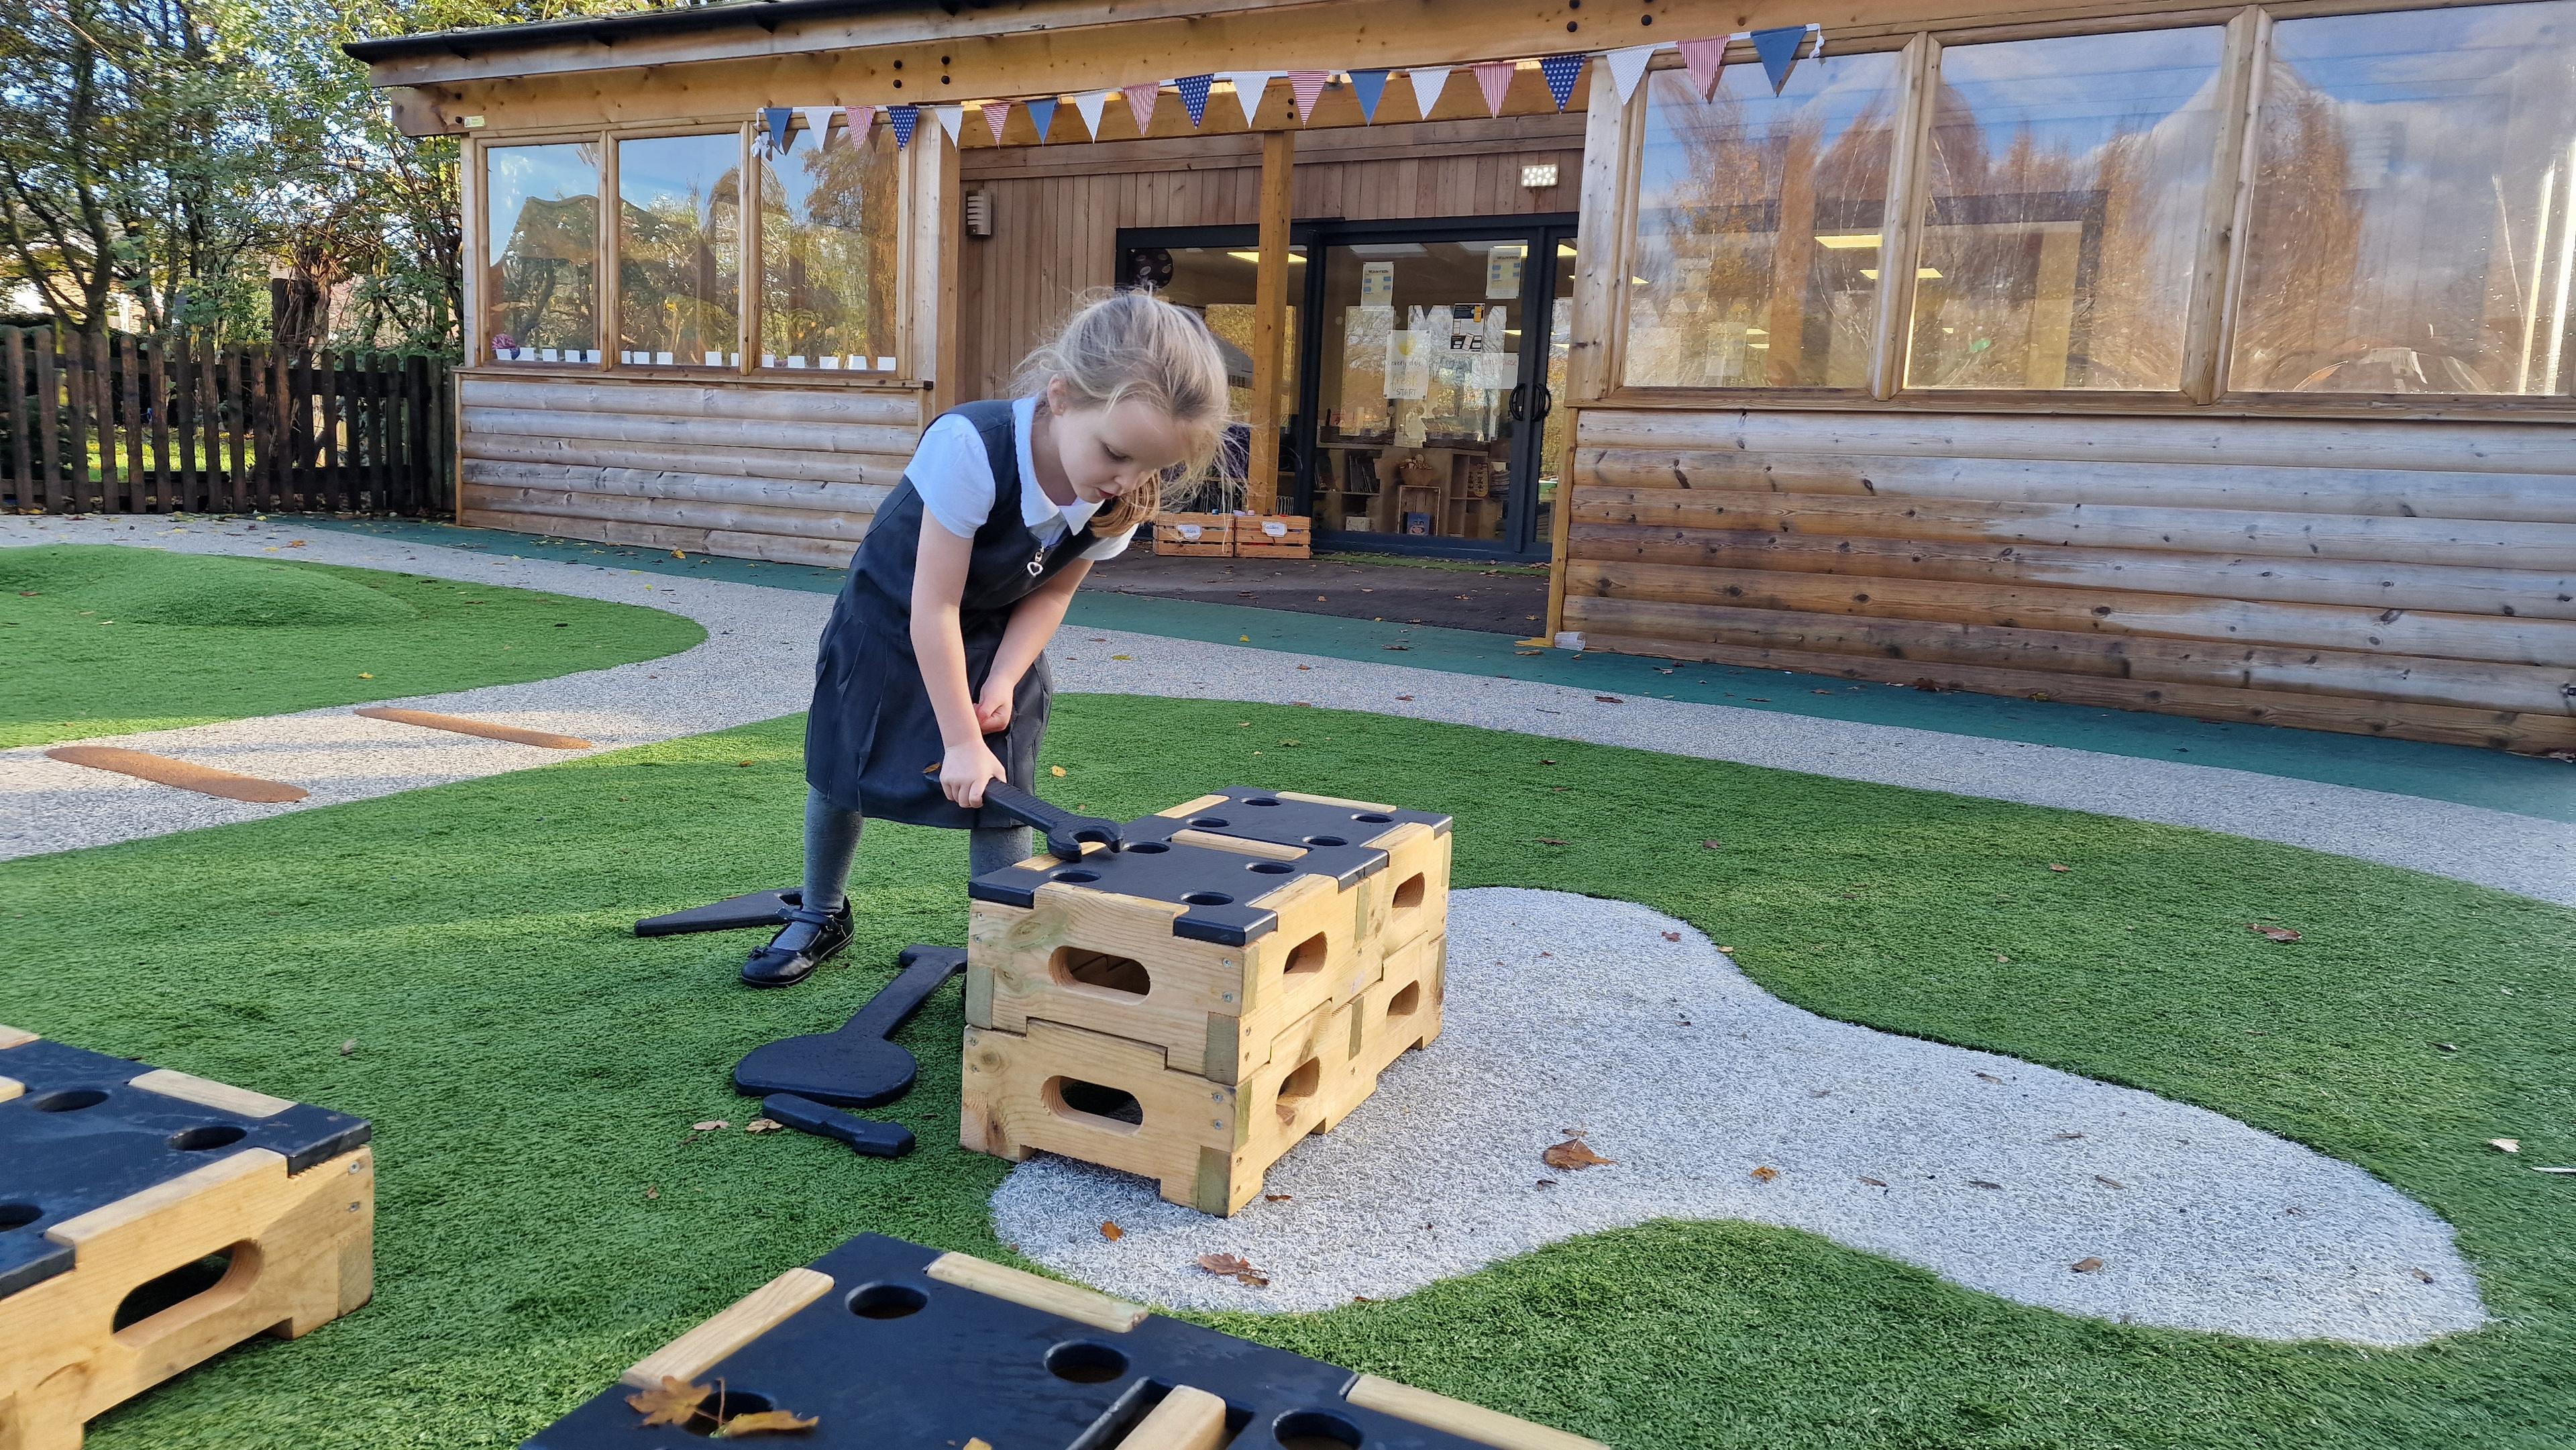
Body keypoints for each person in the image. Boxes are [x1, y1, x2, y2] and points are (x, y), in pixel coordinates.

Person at [743, 289, 1233, 986]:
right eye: (1117, 454)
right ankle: (822, 911)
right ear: (1061, 398)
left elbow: (1052, 591)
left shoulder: (1122, 501)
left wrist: (1001, 682)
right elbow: (933, 605)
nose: (1125, 482)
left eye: (1152, 467)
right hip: (889, 622)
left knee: (1002, 791)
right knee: (841, 772)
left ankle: (1006, 952)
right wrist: (957, 741)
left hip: (998, 631)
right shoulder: (970, 446)